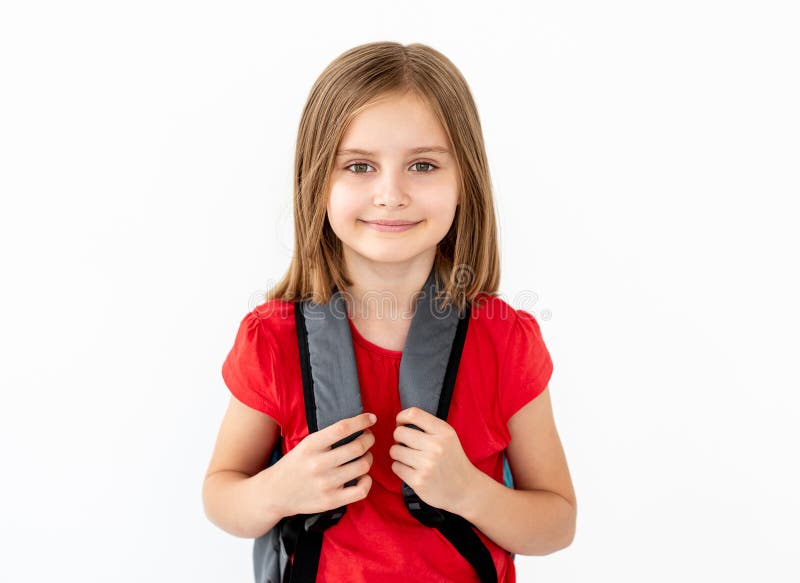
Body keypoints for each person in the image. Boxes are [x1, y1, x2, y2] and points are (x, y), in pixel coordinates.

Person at [202, 41, 577, 582]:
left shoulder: (505, 341)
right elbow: (221, 494)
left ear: (463, 182)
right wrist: (277, 489)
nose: (390, 193)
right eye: (359, 166)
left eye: (422, 165)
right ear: (318, 183)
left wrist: (470, 492)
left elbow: (557, 523)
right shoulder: (273, 339)